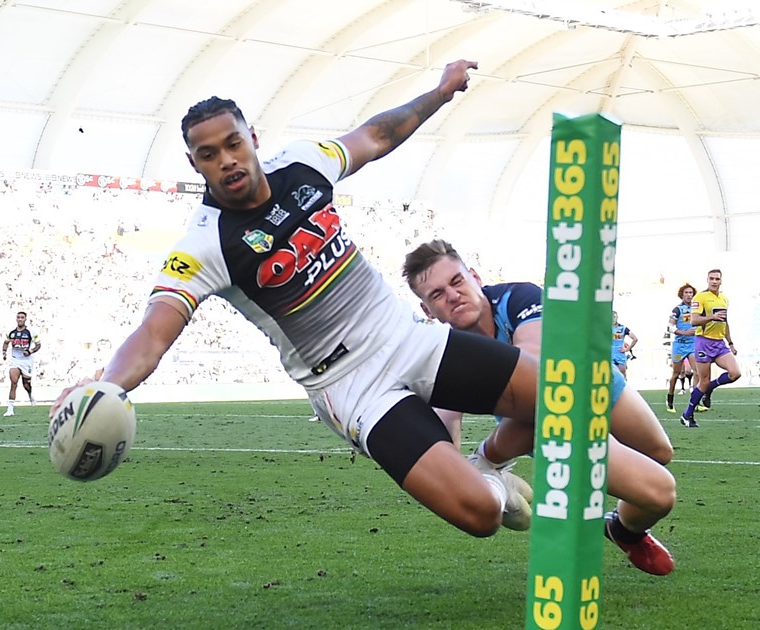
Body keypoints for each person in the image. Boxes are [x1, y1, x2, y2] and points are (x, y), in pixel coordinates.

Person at [51, 62, 676, 575]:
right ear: (197, 166)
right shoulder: (204, 246)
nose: (228, 160)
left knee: (562, 395)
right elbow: (155, 332)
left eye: (234, 143)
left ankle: (595, 499)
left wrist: (440, 90)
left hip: (409, 338)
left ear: (253, 139)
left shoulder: (304, 165)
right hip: (352, 388)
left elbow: (376, 136)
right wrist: (109, 383)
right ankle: (497, 487)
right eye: (209, 154)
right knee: (481, 518)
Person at [401, 239, 676, 575]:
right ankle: (489, 460)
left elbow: (535, 366)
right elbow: (447, 424)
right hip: (549, 415)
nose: (452, 295)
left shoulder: (517, 298)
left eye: (456, 282)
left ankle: (621, 529)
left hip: (592, 379)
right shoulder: (445, 349)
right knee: (660, 493)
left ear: (474, 276)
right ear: (428, 311)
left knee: (659, 453)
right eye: (437, 295)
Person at [682, 269, 738, 428]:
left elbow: (725, 323)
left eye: (717, 279)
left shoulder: (724, 299)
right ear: (707, 280)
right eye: (711, 278)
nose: (714, 281)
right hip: (704, 342)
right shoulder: (700, 297)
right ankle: (687, 415)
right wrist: (711, 317)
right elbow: (694, 320)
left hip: (720, 343)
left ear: (721, 281)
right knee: (703, 381)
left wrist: (731, 343)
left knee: (735, 373)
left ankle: (710, 388)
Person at [665, 284, 697, 413]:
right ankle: (670, 399)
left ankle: (695, 400)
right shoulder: (677, 309)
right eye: (686, 292)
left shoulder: (697, 309)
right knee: (676, 374)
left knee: (697, 372)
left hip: (693, 345)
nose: (689, 295)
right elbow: (670, 327)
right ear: (682, 295)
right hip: (679, 345)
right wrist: (684, 333)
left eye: (691, 292)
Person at [3, 311, 40, 417]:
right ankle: (10, 409)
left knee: (26, 384)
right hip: (15, 359)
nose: (20, 319)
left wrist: (30, 351)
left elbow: (38, 345)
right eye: (18, 317)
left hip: (27, 360)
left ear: (25, 319)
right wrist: (4, 353)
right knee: (13, 382)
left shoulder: (31, 331)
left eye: (22, 317)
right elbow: (6, 342)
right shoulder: (11, 332)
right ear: (16, 319)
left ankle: (30, 394)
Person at [612, 311, 637, 376]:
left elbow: (635, 339)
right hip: (609, 355)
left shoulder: (623, 328)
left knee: (622, 376)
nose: (613, 319)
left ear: (617, 317)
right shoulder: (605, 328)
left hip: (620, 355)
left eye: (614, 317)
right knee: (609, 377)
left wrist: (627, 349)